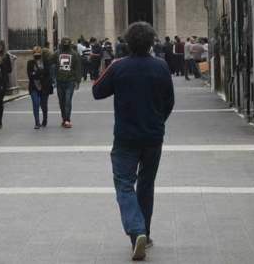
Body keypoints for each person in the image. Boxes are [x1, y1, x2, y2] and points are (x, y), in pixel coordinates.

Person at [93, 22, 174, 261]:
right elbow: (169, 101)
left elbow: (97, 91)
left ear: (127, 43)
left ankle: (137, 231)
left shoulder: (119, 66)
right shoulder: (161, 67)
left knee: (124, 184)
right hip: (153, 137)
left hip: (126, 138)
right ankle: (144, 235)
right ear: (151, 42)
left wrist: (109, 69)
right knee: (146, 185)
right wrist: (158, 122)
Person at [55, 38, 83, 128]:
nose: (66, 45)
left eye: (67, 43)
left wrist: (78, 81)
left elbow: (78, 68)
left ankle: (67, 119)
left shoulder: (74, 54)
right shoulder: (57, 53)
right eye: (64, 43)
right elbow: (50, 62)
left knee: (67, 101)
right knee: (61, 101)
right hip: (60, 81)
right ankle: (64, 118)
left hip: (70, 81)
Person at [27, 46, 52, 129]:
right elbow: (30, 75)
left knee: (43, 105)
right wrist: (40, 73)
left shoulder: (46, 62)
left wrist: (36, 73)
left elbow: (47, 73)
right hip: (33, 86)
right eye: (35, 53)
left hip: (44, 87)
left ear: (41, 53)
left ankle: (45, 119)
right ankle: (37, 122)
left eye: (38, 53)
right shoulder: (30, 63)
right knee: (36, 103)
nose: (37, 55)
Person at [0, 41, 13, 130]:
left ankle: (0, 120)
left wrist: (2, 66)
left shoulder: (6, 57)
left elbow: (10, 69)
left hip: (2, 82)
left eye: (0, 46)